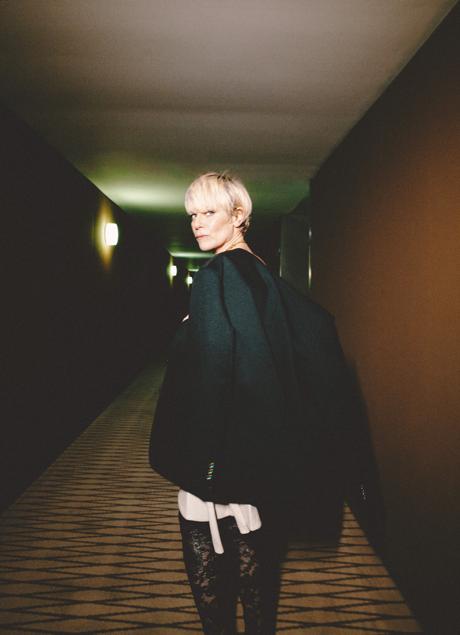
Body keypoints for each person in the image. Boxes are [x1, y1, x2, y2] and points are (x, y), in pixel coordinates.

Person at [149, 172, 352, 634]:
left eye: (209, 212)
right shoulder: (260, 273)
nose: (198, 224)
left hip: (218, 454)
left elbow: (213, 376)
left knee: (208, 578)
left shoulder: (216, 276)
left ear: (238, 215)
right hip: (257, 450)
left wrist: (207, 472)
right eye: (193, 214)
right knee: (256, 577)